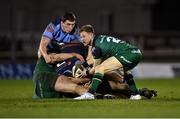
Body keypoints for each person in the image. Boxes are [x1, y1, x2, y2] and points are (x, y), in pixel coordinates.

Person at [74, 24, 144, 100]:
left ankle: (90, 94)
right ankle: (135, 94)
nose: (82, 39)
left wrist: (86, 73)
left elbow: (96, 68)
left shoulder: (96, 47)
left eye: (84, 36)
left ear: (91, 35)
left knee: (100, 68)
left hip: (128, 54)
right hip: (137, 53)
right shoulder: (100, 39)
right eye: (81, 37)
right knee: (125, 71)